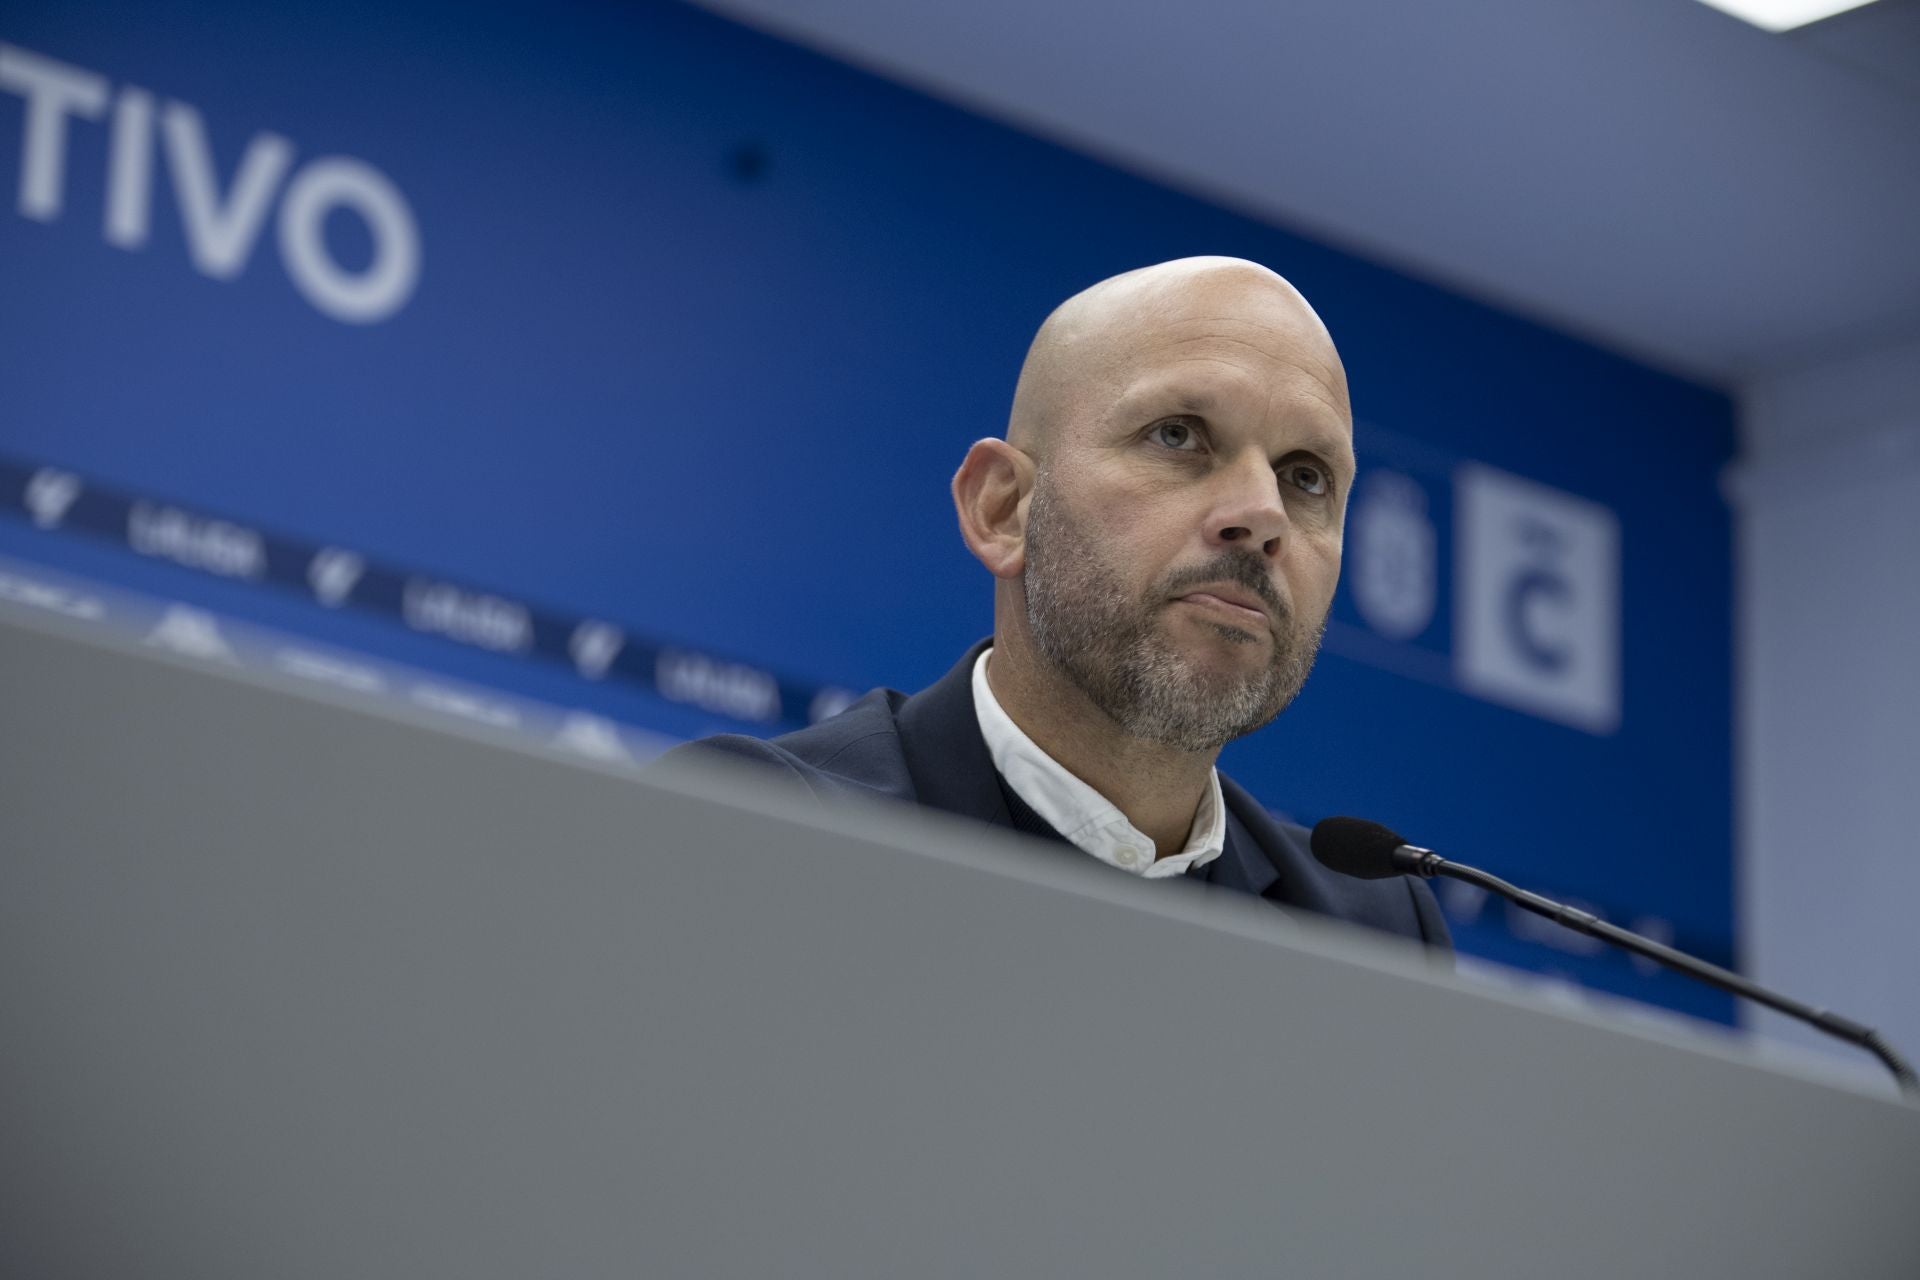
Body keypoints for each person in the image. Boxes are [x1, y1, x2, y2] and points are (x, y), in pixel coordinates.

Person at [661, 257, 1449, 951]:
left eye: (1306, 476)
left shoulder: (1373, 932)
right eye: (1179, 436)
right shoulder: (764, 828)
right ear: (1003, 511)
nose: (1261, 513)